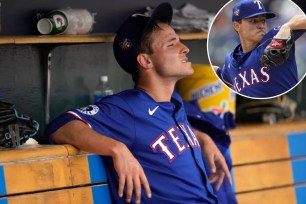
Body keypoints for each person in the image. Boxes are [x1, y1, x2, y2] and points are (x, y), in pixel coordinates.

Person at [46, 3, 231, 204]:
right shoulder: (129, 107)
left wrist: (202, 137)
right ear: (146, 61)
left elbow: (157, 129)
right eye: (171, 44)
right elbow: (61, 126)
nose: (184, 48)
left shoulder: (172, 102)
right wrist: (116, 149)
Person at [214, 0, 306, 98]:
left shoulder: (274, 38)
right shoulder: (230, 61)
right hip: (250, 111)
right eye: (254, 21)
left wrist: (287, 27)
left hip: (285, 107)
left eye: (263, 20)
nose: (261, 26)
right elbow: (220, 73)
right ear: (237, 26)